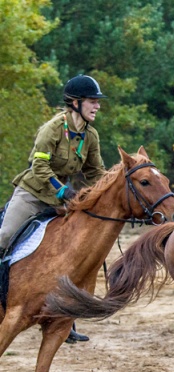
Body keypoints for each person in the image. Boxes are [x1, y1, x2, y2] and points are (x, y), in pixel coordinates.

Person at [0, 74, 108, 343]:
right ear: (75, 103)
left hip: (62, 201)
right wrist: (62, 191)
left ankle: (64, 318)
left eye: (97, 102)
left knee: (71, 253)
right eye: (92, 101)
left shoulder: (90, 135)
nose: (97, 106)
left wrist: (110, 193)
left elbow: (96, 173)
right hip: (33, 194)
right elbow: (39, 167)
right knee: (4, 236)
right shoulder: (52, 128)